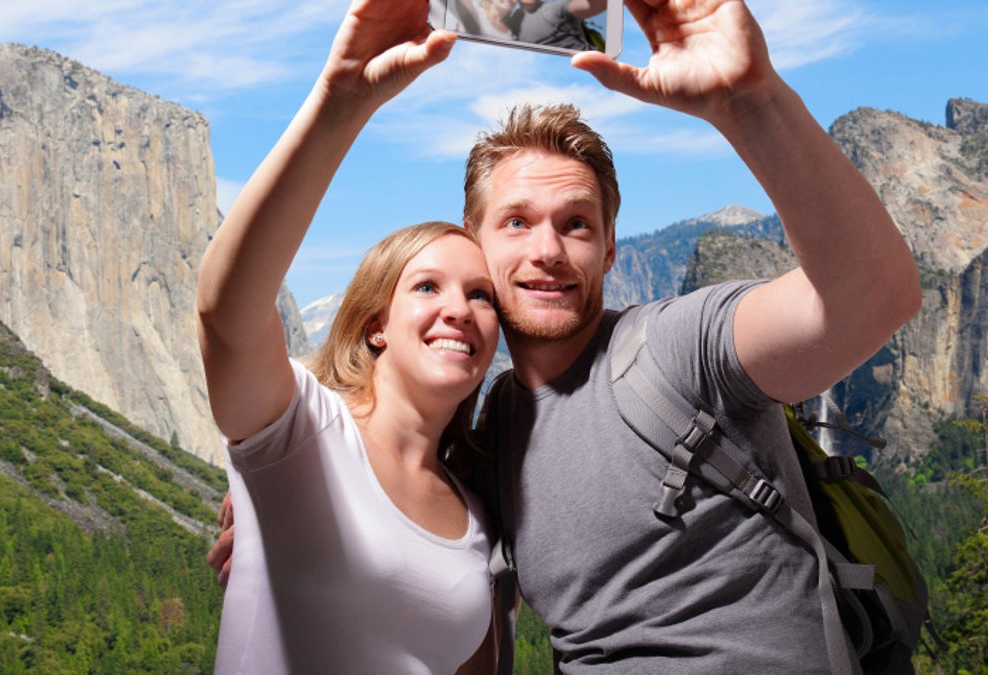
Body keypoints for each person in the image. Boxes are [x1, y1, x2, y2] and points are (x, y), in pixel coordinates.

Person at [208, 0, 923, 671]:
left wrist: (750, 99)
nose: (548, 249)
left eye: (576, 224)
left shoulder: (679, 348)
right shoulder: (492, 436)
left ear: (611, 249)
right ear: (476, 243)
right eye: (517, 221)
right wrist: (278, 496)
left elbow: (872, 295)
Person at [195, 10, 501, 671]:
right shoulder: (299, 431)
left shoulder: (477, 513)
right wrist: (341, 103)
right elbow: (228, 313)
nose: (459, 309)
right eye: (427, 287)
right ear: (375, 324)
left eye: (481, 294)